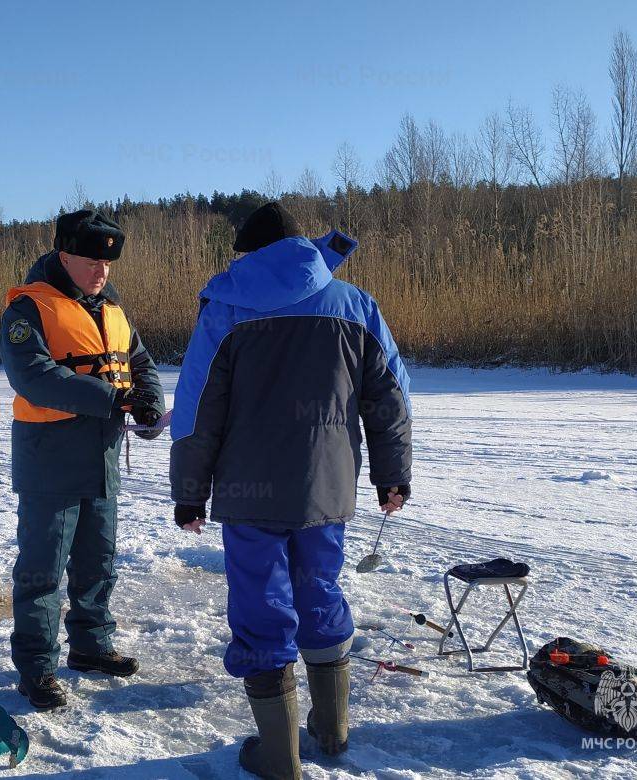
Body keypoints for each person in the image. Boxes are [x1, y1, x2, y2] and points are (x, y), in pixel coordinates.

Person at [169, 202, 412, 778]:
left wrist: (189, 491)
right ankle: (331, 731)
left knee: (261, 606)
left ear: (248, 254)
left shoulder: (227, 310)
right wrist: (392, 473)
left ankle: (279, 756)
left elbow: (197, 408)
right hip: (326, 490)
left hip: (249, 495)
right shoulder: (355, 305)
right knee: (320, 592)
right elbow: (390, 398)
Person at [0, 209, 165, 709]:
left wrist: (149, 400)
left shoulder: (111, 309)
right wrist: (112, 401)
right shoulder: (28, 310)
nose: (103, 270)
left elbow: (140, 362)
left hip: (102, 459)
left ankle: (91, 648)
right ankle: (35, 668)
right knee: (42, 570)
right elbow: (34, 377)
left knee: (98, 562)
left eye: (108, 262)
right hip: (49, 462)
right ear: (64, 254)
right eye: (93, 260)